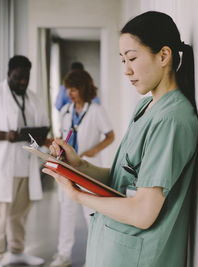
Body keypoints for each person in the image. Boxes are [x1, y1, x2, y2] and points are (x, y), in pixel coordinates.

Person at [43, 11, 198, 267]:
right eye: (122, 60)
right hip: (112, 249)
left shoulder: (172, 120)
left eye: (132, 58)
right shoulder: (145, 108)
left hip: (137, 257)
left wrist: (78, 196)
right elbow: (121, 180)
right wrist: (77, 166)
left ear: (164, 56)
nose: (126, 70)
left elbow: (143, 212)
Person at [0, 55, 49, 267]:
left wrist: (41, 137)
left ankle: (16, 251)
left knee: (19, 214)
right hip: (0, 167)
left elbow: (43, 126)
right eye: (18, 77)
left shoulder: (34, 99)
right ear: (8, 75)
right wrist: (5, 135)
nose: (23, 82)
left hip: (25, 165)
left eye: (26, 78)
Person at [50, 70, 115, 267]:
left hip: (88, 167)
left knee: (92, 215)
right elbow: (63, 136)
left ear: (83, 88)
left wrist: (91, 151)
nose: (70, 93)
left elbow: (110, 136)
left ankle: (95, 259)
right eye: (68, 88)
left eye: (74, 88)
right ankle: (63, 255)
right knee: (66, 213)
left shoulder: (96, 110)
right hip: (67, 168)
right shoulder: (65, 111)